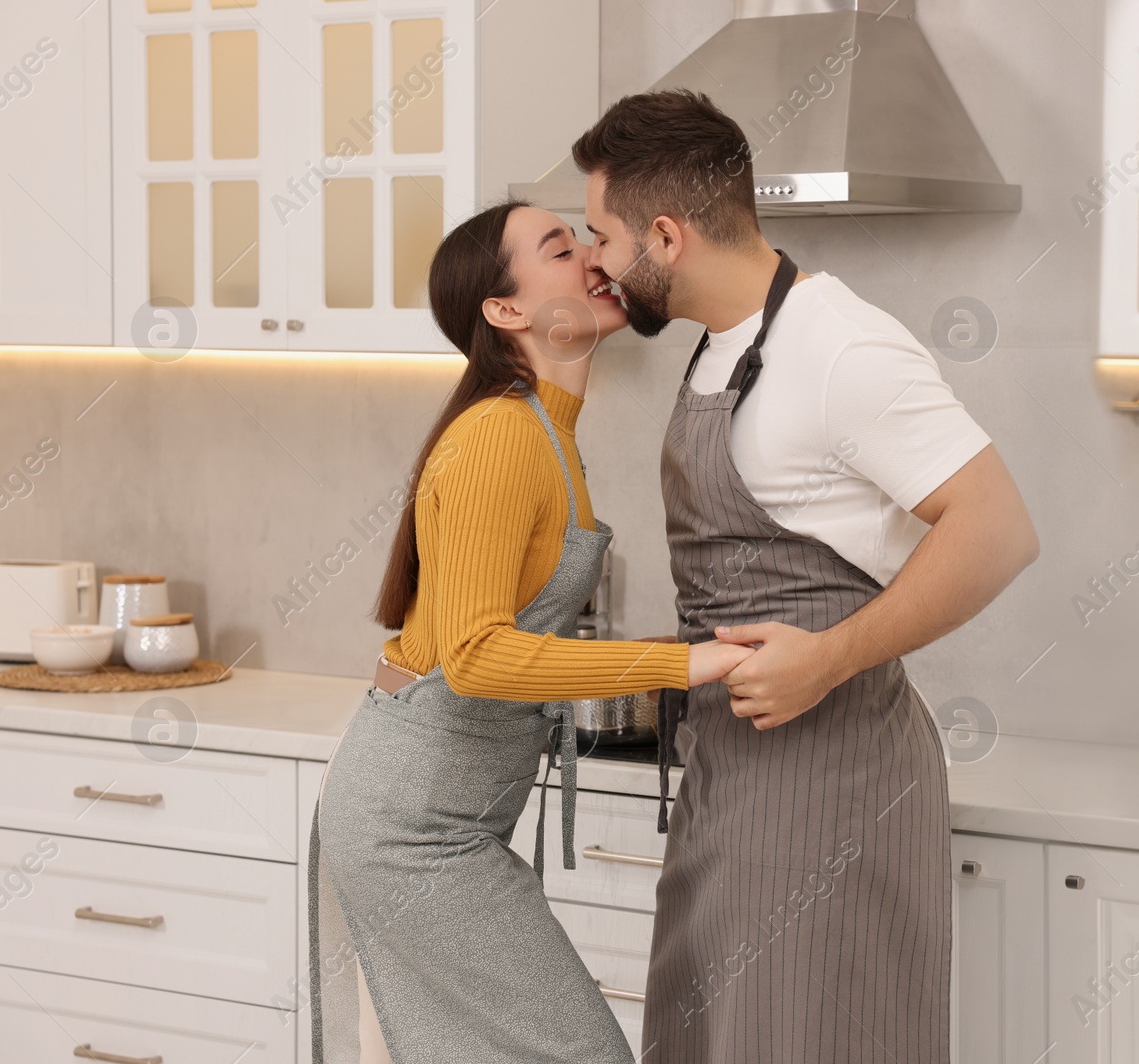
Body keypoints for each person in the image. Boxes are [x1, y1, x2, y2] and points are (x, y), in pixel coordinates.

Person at [573, 89, 1040, 1062]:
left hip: (831, 782)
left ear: (665, 234)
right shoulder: (722, 346)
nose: (598, 265)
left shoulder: (838, 344)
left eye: (602, 237)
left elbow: (996, 529)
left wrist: (829, 655)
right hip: (731, 775)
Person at [307, 200, 754, 1063]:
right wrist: (683, 662)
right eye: (560, 245)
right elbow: (475, 659)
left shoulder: (547, 428)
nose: (593, 251)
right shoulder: (500, 437)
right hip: (413, 823)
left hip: (446, 811)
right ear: (506, 311)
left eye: (585, 235)